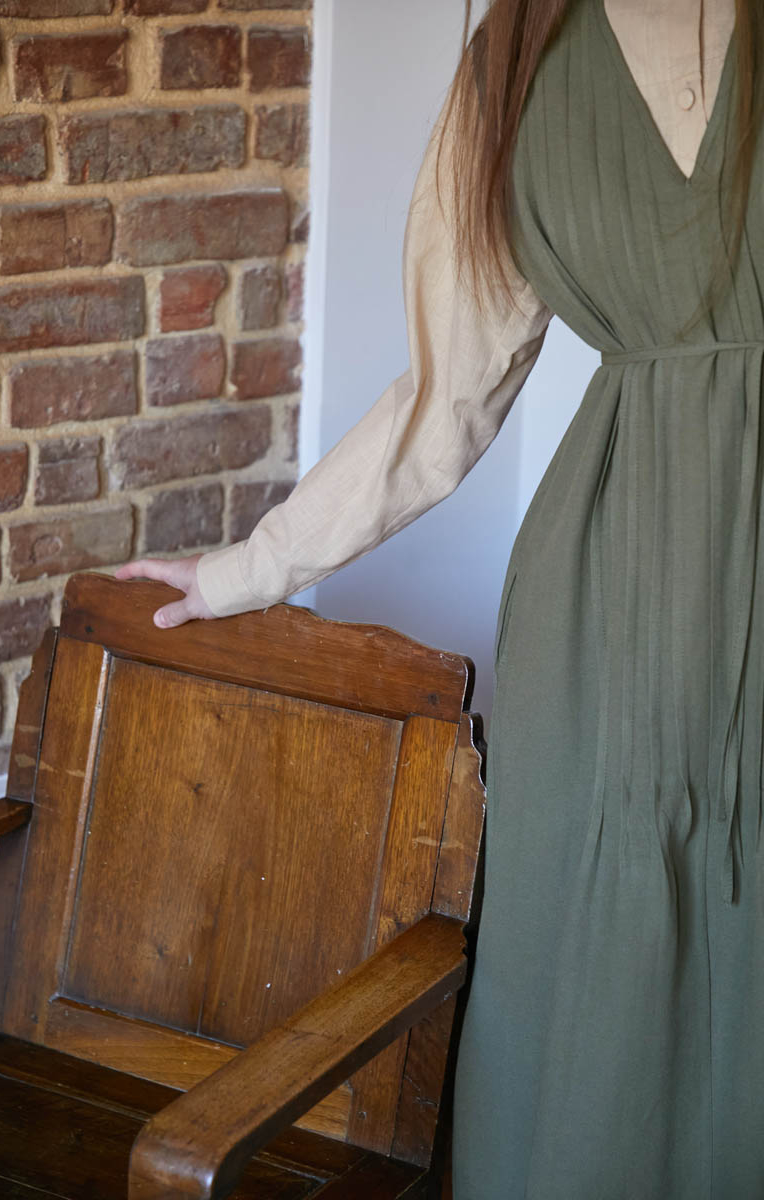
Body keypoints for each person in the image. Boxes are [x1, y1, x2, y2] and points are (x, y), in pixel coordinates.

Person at [118, 0, 764, 1194]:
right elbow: (441, 394)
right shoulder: (508, 62)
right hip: (605, 610)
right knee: (593, 986)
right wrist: (247, 569)